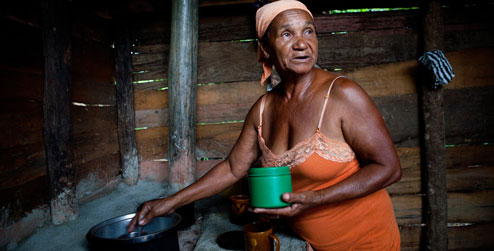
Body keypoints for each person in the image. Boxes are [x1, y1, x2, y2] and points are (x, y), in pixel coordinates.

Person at [129, 0, 402, 250]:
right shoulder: (262, 110)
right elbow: (233, 168)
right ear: (265, 48)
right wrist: (170, 202)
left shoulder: (343, 94)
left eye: (308, 32)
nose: (301, 44)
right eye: (286, 34)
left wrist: (316, 199)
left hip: (367, 240)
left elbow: (389, 169)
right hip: (312, 243)